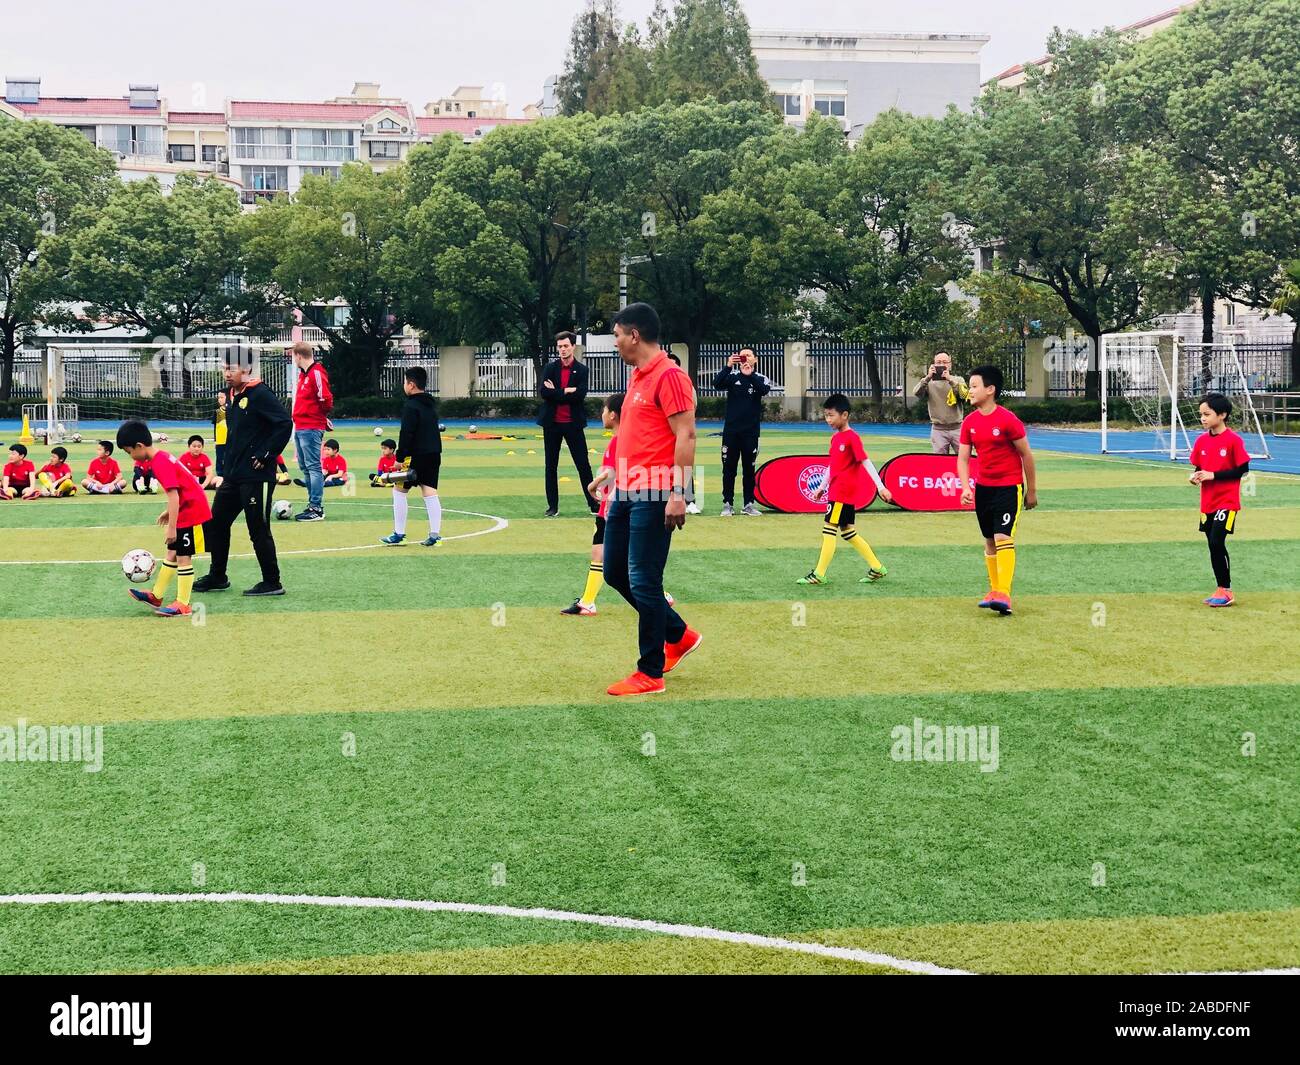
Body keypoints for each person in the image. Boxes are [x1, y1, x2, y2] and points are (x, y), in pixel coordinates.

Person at [602, 302, 701, 696]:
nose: (616, 343)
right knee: (614, 573)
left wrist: (679, 493)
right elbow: (637, 435)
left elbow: (687, 436)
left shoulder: (671, 377)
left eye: (617, 336)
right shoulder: (638, 377)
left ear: (634, 335)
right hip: (627, 488)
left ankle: (650, 672)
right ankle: (678, 635)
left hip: (656, 490)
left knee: (644, 579)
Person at [194, 347, 294, 597]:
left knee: (257, 529)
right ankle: (218, 576)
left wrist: (267, 454)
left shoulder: (260, 393)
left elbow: (284, 423)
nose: (227, 373)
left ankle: (272, 582)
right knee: (216, 523)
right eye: (225, 368)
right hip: (233, 475)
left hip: (256, 476)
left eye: (232, 368)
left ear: (246, 369)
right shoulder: (231, 395)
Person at [957, 364, 1038, 616]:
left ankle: (1004, 592)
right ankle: (995, 592)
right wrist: (965, 487)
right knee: (989, 540)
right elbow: (962, 458)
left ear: (990, 390)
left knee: (1003, 537)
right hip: (983, 488)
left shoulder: (1007, 420)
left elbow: (1026, 454)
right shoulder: (969, 422)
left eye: (973, 386)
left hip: (1008, 487)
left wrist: (1031, 490)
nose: (969, 391)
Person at [118, 420, 213, 618]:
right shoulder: (161, 456)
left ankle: (183, 604)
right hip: (187, 506)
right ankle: (157, 595)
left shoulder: (159, 462)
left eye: (129, 452)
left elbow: (174, 495)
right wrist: (168, 512)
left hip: (193, 512)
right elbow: (181, 489)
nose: (130, 456)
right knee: (172, 553)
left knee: (183, 557)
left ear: (139, 446)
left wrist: (171, 528)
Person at [797, 394, 893, 585]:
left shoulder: (852, 438)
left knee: (829, 530)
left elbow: (865, 461)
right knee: (848, 531)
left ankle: (819, 574)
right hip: (836, 492)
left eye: (831, 415)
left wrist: (881, 487)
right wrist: (822, 487)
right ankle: (877, 567)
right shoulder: (836, 439)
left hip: (842, 493)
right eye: (826, 415)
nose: (828, 420)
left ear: (845, 415)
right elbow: (833, 465)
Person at [1189, 393, 1250, 608]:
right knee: (1212, 545)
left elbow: (1243, 469)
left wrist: (1213, 475)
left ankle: (1226, 590)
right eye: (1201, 415)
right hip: (1208, 503)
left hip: (1227, 501)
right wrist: (1195, 476)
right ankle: (1220, 588)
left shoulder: (1233, 440)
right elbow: (1199, 466)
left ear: (1222, 415)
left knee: (1217, 541)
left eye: (1207, 414)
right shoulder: (1202, 440)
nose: (1203, 418)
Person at [379, 366, 443, 547]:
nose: (404, 386)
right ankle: (435, 535)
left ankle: (399, 533)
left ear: (411, 385)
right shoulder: (430, 404)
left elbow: (406, 433)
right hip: (434, 453)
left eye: (405, 382)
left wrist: (399, 458)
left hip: (415, 456)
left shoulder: (411, 406)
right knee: (429, 490)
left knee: (399, 491)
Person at [537, 331, 596, 517]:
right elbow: (544, 393)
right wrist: (566, 392)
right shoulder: (550, 368)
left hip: (573, 423)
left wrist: (558, 392)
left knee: (583, 464)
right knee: (550, 466)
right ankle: (552, 506)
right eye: (560, 346)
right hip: (552, 423)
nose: (562, 349)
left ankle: (593, 503)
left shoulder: (582, 370)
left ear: (573, 347)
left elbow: (580, 395)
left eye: (566, 346)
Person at [713, 348, 771, 516]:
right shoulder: (732, 377)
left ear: (755, 359)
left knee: (749, 469)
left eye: (749, 355)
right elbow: (717, 384)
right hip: (731, 432)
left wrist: (750, 374)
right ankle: (727, 504)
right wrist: (728, 366)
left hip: (751, 433)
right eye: (743, 355)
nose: (746, 357)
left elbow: (764, 390)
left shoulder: (760, 378)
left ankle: (748, 504)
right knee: (729, 469)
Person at [290, 341, 333, 521]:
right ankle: (312, 505)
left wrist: (320, 417)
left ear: (299, 356)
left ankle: (316, 508)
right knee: (305, 467)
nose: (293, 360)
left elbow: (326, 398)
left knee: (313, 467)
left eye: (293, 356)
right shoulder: (303, 375)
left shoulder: (316, 373)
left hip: (310, 426)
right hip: (301, 425)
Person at [913, 352, 968, 454]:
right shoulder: (928, 382)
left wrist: (950, 380)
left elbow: (964, 396)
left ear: (950, 364)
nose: (942, 365)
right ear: (933, 364)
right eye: (938, 362)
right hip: (938, 429)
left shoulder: (958, 380)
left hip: (958, 428)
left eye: (945, 362)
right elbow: (917, 393)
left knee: (965, 458)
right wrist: (928, 377)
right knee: (940, 461)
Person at [213, 391, 228, 479]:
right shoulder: (217, 412)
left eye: (222, 397)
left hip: (230, 439)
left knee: (229, 457)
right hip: (220, 440)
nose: (220, 399)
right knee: (219, 458)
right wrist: (215, 440)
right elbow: (215, 427)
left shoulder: (232, 410)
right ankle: (220, 474)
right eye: (218, 398)